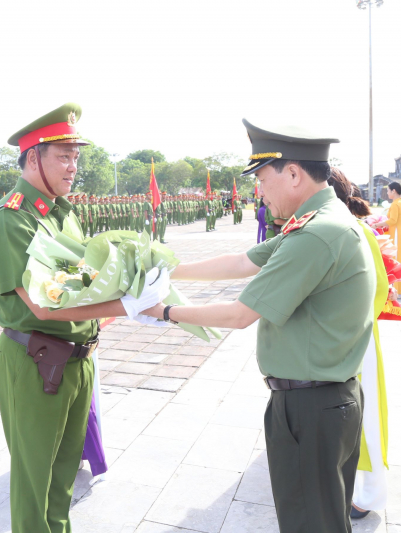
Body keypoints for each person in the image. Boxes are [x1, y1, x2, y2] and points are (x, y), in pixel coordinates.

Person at [143, 119, 376, 533]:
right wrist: (164, 270)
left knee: (310, 524)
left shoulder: (316, 233)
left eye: (263, 179)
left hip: (312, 407)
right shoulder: (321, 218)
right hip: (325, 400)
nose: (259, 191)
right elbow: (241, 262)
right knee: (322, 518)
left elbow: (240, 314)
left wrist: (162, 311)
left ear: (292, 173)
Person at [0, 103, 167, 533]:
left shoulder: (61, 211)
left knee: (64, 478)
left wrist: (127, 285)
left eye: (75, 157)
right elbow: (43, 305)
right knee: (35, 482)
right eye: (63, 156)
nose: (73, 167)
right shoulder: (12, 219)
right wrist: (128, 306)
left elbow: (79, 280)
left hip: (78, 359)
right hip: (36, 362)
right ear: (33, 158)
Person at [328, 168, 391, 519]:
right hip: (338, 339)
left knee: (366, 417)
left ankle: (368, 494)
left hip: (356, 337)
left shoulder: (356, 231)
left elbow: (378, 289)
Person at [372, 182, 401, 297]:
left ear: (394, 191)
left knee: (396, 260)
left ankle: (397, 289)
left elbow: (392, 220)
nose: (387, 193)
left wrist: (377, 225)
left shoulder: (395, 204)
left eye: (388, 191)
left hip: (397, 234)